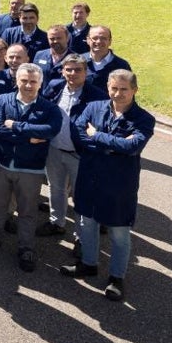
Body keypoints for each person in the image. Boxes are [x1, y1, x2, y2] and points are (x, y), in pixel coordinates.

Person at [60, 70, 155, 302]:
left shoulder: (144, 119)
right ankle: (89, 264)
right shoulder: (94, 107)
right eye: (114, 88)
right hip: (90, 180)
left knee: (119, 233)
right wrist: (113, 146)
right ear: (108, 87)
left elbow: (132, 147)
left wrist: (98, 137)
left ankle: (116, 278)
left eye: (124, 89)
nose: (118, 93)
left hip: (118, 187)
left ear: (134, 90)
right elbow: (79, 133)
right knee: (87, 224)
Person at [0, 63, 62, 272]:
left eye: (33, 82)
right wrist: (31, 137)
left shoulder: (49, 108)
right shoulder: (2, 101)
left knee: (27, 212)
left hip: (30, 170)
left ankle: (26, 248)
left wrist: (17, 126)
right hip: (0, 164)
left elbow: (51, 130)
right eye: (24, 81)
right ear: (16, 81)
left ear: (40, 84)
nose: (28, 85)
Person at [38, 53, 105, 241]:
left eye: (78, 70)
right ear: (62, 71)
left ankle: (80, 237)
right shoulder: (54, 87)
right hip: (54, 149)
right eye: (69, 69)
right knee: (55, 188)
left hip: (80, 154)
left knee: (81, 197)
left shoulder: (97, 97)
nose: (73, 73)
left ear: (86, 72)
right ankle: (56, 222)